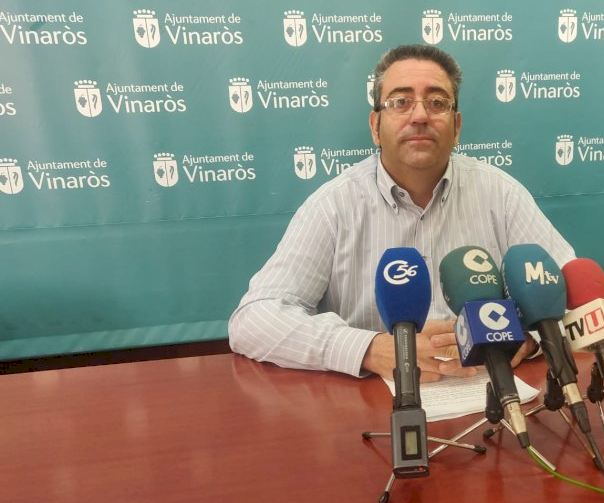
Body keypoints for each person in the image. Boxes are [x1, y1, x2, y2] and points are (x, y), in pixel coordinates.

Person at [229, 44, 575, 383]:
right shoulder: (333, 205)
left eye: (437, 103)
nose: (420, 116)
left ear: (456, 127)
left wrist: (531, 337)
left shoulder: (501, 194)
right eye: (400, 102)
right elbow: (253, 319)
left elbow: (571, 297)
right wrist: (369, 348)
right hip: (377, 401)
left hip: (494, 394)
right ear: (375, 126)